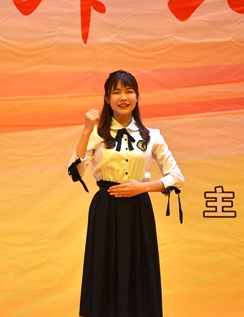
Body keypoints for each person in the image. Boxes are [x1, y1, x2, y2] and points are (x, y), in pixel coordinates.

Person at [68, 70, 184, 317]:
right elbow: (76, 171)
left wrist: (142, 187)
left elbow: (176, 176)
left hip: (139, 210)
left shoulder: (152, 136)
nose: (123, 97)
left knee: (139, 271)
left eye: (129, 91)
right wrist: (86, 131)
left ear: (137, 97)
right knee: (104, 270)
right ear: (107, 99)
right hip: (106, 209)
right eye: (116, 92)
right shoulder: (97, 134)